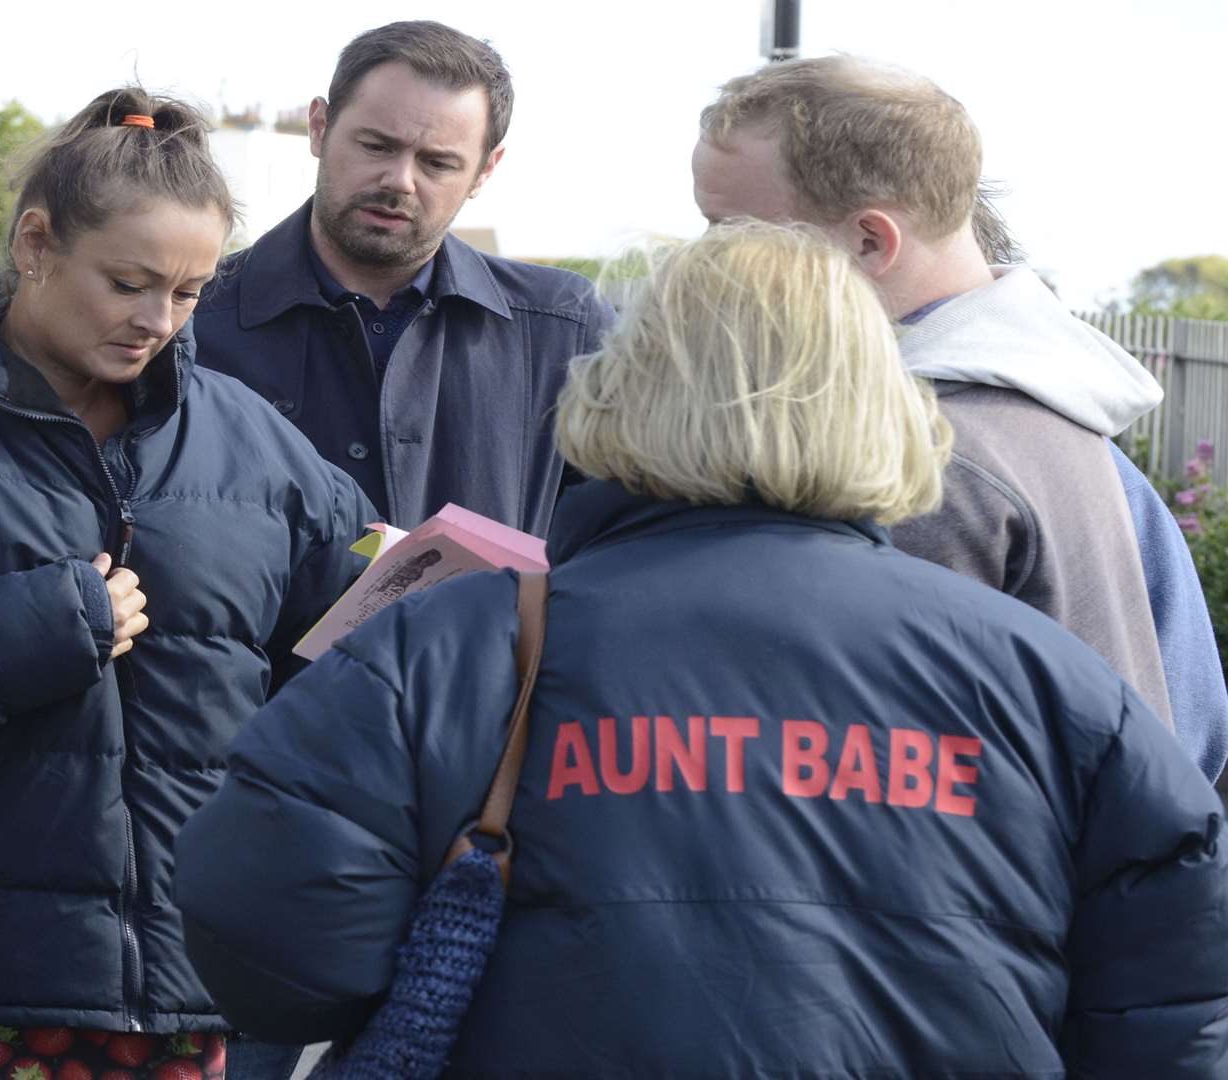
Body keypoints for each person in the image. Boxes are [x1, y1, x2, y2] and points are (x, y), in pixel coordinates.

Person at [173, 222, 1228, 1076]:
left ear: (623, 386)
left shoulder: (445, 644)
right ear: (883, 403)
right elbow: (1176, 999)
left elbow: (272, 951)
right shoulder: (1043, 680)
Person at [0, 88, 373, 1080]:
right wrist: (24, 632)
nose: (158, 320)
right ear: (36, 242)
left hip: (182, 991)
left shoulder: (259, 445)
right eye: (130, 282)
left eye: (192, 292)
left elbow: (329, 683)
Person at [691, 54, 1228, 781]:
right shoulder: (1066, 417)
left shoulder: (920, 456)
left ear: (870, 240)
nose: (706, 261)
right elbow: (1192, 730)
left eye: (732, 230)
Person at [193, 20, 611, 537]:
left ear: (485, 170)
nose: (399, 180)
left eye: (437, 163)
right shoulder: (187, 322)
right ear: (319, 127)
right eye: (375, 146)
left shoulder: (565, 331)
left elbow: (615, 546)